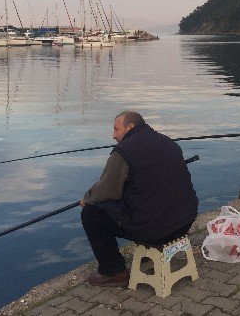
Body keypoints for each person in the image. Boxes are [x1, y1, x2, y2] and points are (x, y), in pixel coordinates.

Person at [80, 111, 198, 286]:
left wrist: (87, 198)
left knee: (91, 213)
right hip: (184, 222)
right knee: (140, 197)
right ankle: (148, 252)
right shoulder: (167, 142)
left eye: (116, 129)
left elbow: (107, 190)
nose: (113, 135)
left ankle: (113, 271)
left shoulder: (123, 152)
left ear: (130, 126)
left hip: (158, 231)